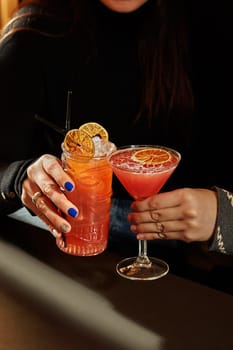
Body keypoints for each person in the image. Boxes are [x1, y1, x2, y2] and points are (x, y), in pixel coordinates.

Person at [0, 0, 233, 290]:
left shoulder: (215, 28)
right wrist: (20, 178)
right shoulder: (34, 33)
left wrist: (225, 218)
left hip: (202, 284)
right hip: (75, 278)